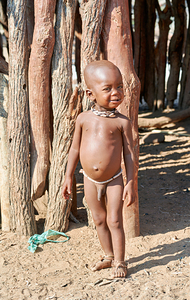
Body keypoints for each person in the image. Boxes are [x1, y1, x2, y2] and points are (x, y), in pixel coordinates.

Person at [62, 60, 135, 278]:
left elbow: (129, 155)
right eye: (108, 88)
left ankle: (120, 262)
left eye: (120, 86)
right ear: (90, 94)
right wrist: (68, 176)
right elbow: (74, 149)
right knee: (99, 219)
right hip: (89, 179)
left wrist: (130, 182)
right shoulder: (83, 118)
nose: (117, 92)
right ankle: (108, 256)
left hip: (114, 179)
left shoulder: (122, 122)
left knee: (114, 220)